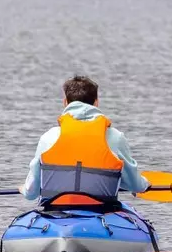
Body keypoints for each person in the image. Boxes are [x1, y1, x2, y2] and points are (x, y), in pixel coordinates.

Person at [21, 74, 148, 206]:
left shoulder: (48, 137)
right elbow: (135, 185)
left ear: (65, 102)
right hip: (102, 211)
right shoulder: (116, 137)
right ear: (96, 102)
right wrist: (145, 184)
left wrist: (24, 189)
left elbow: (32, 193)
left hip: (55, 211)